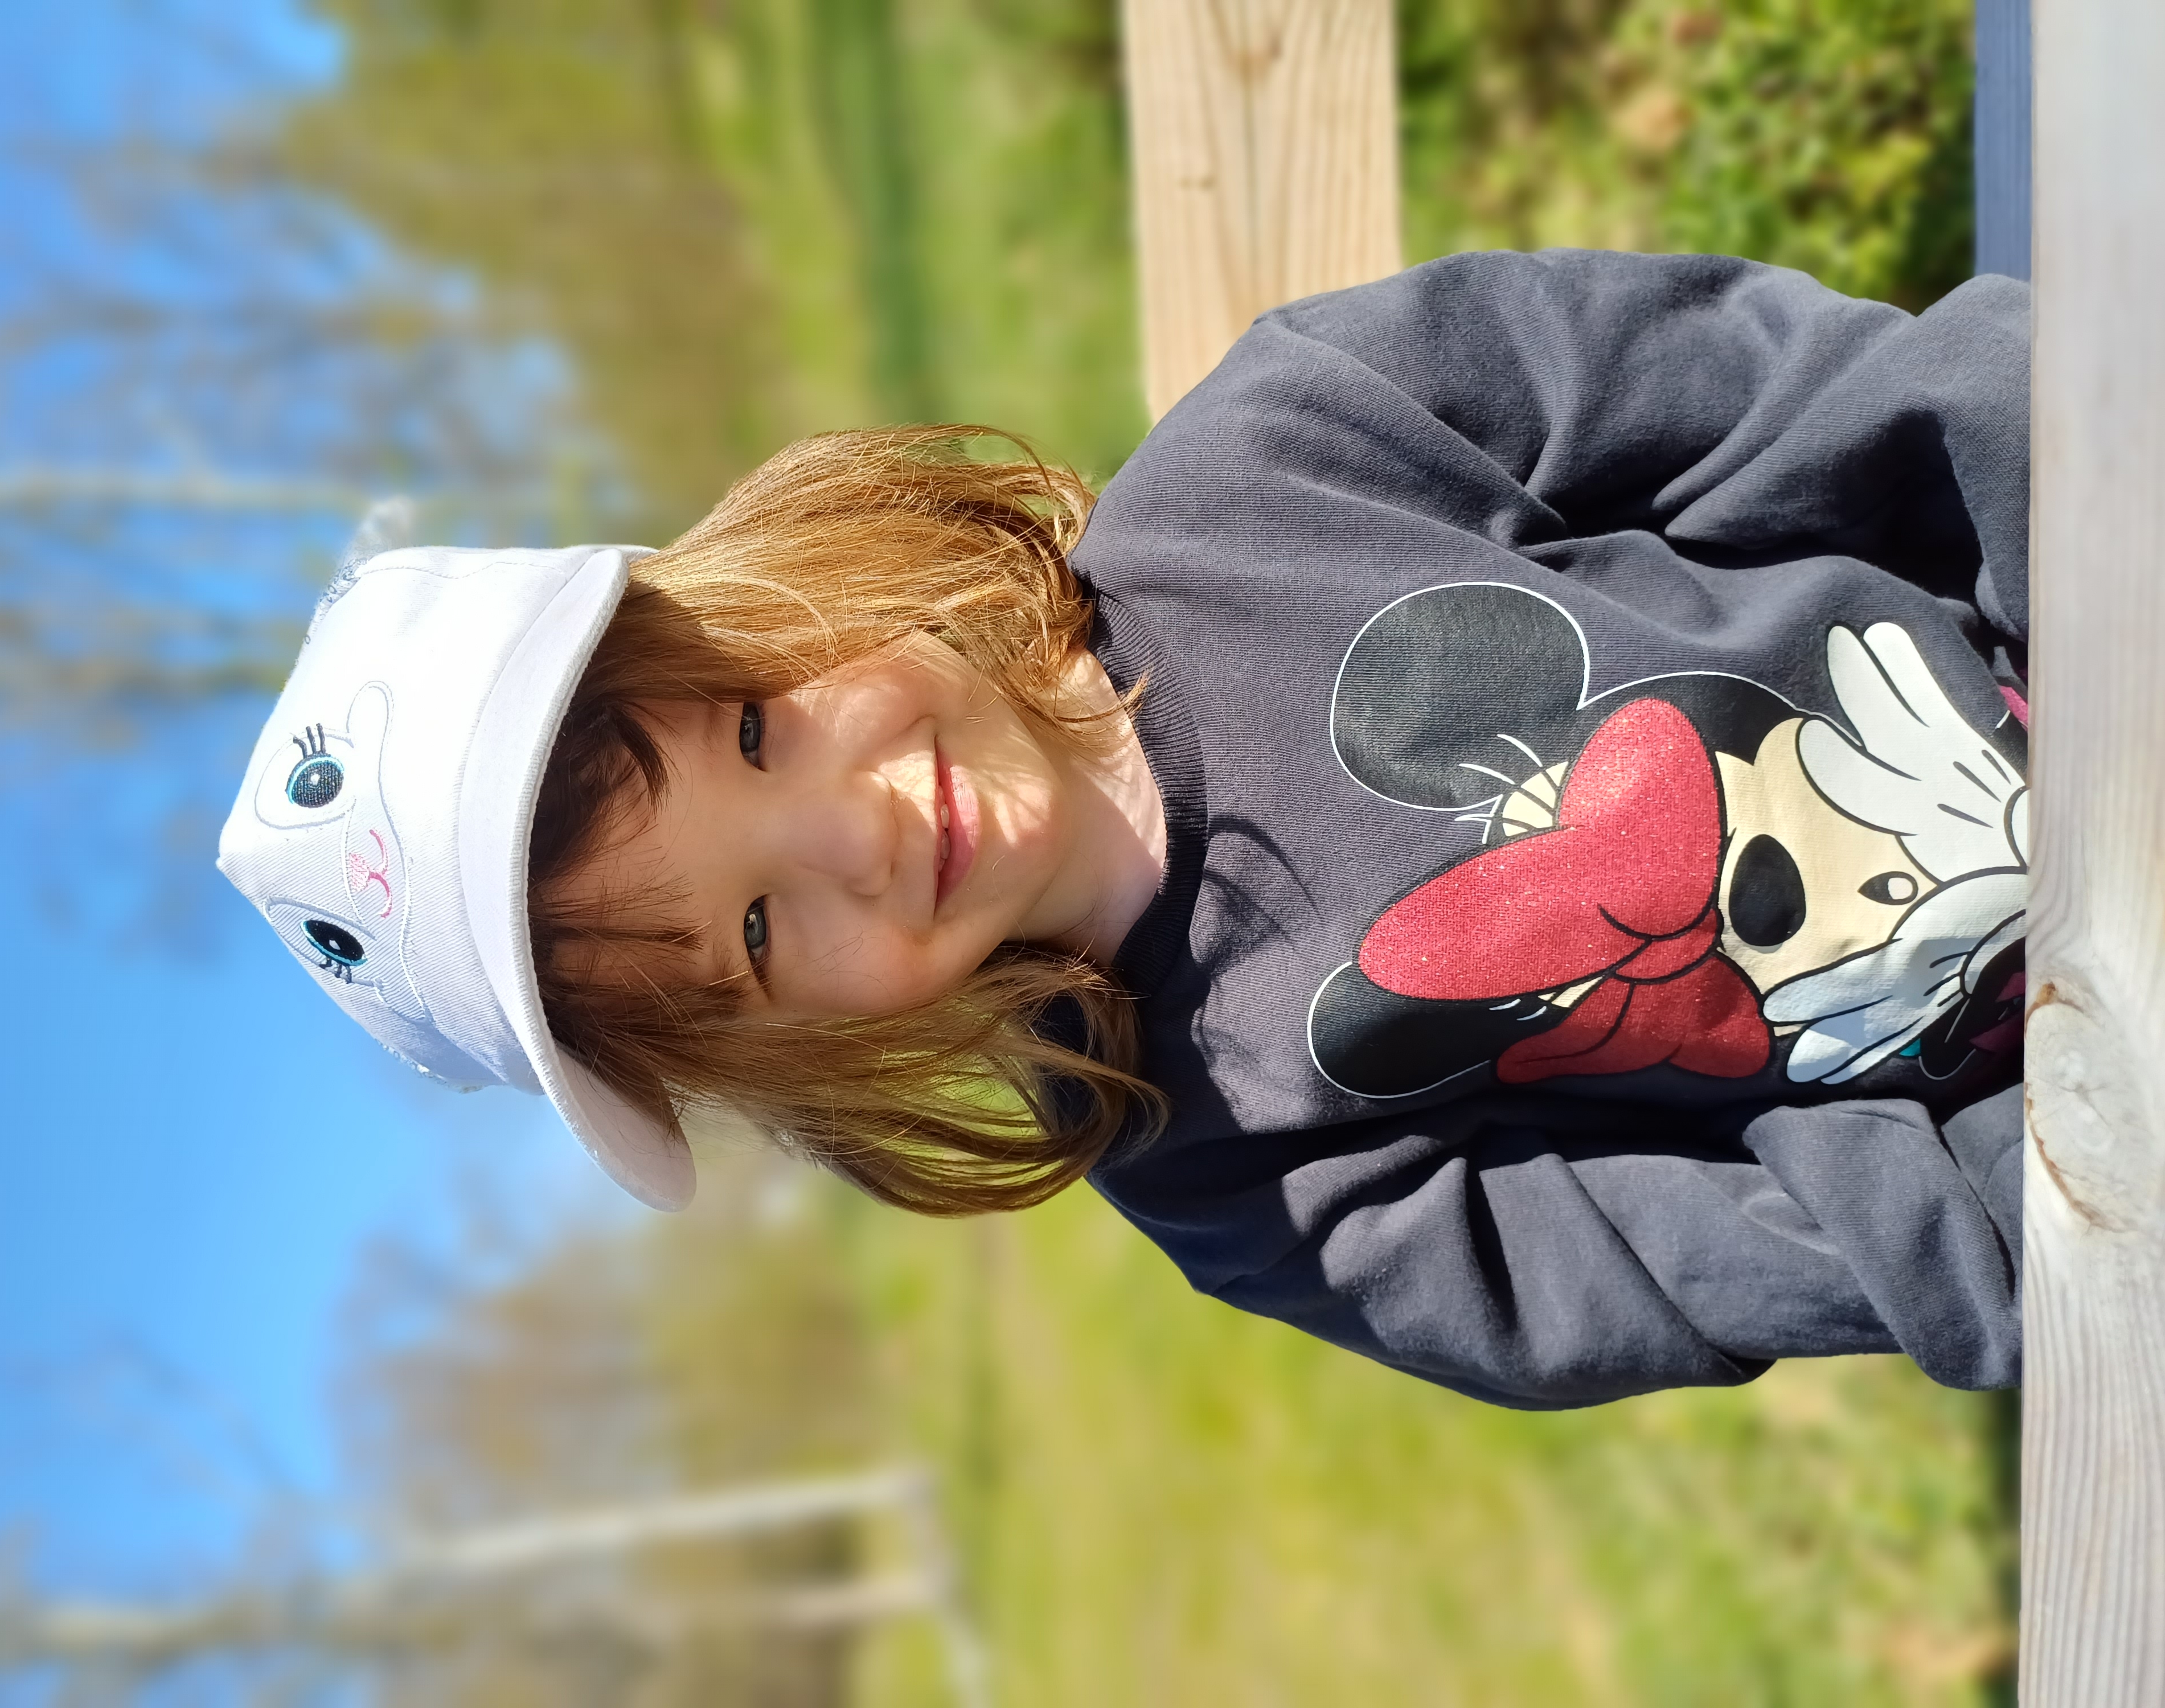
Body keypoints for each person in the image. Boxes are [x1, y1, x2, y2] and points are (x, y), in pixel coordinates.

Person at [220, 249, 2028, 1409]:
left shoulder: (1299, 440)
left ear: (787, 588)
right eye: (763, 933)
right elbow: (1796, 1251)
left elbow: (1862, 405)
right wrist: (2093, 1162)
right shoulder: (1241, 1182)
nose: (854, 835)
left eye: (759, 730)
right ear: (802, 1058)